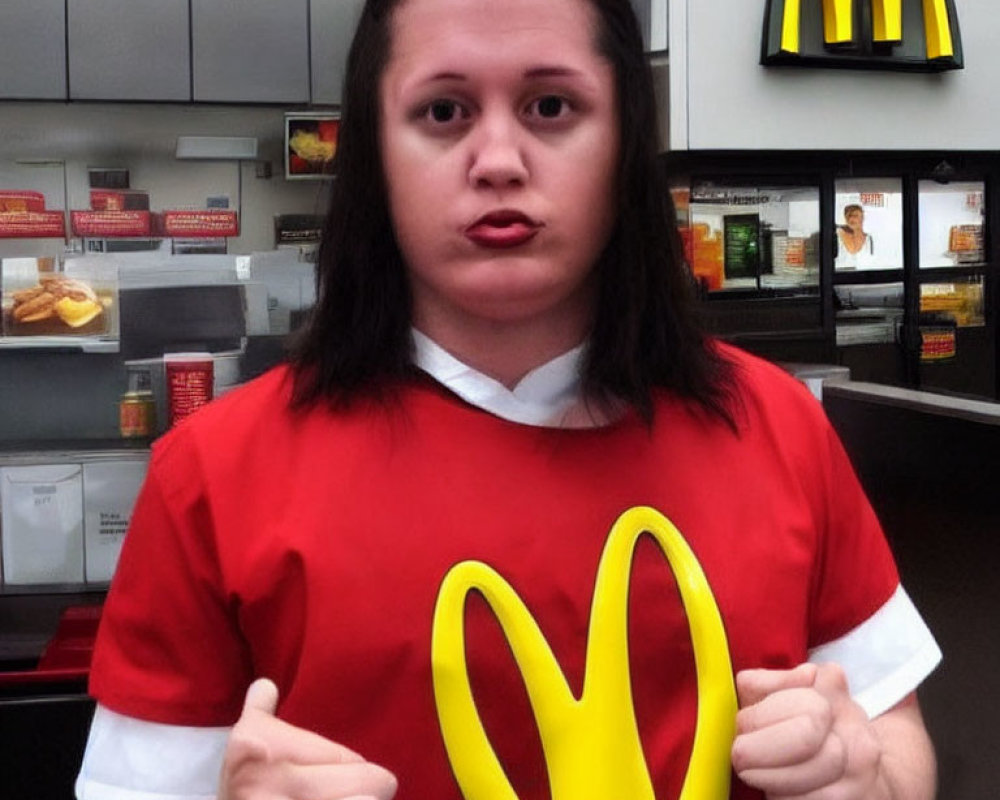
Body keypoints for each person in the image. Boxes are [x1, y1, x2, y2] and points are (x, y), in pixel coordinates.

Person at [76, 0, 941, 798]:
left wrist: (868, 776)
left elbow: (897, 735)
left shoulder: (775, 423)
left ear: (625, 140)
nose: (497, 161)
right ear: (376, 152)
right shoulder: (214, 475)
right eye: (443, 112)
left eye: (551, 108)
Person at [835, 203, 875, 269]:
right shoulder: (837, 234)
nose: (851, 218)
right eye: (849, 215)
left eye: (855, 215)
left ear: (862, 218)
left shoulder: (869, 239)